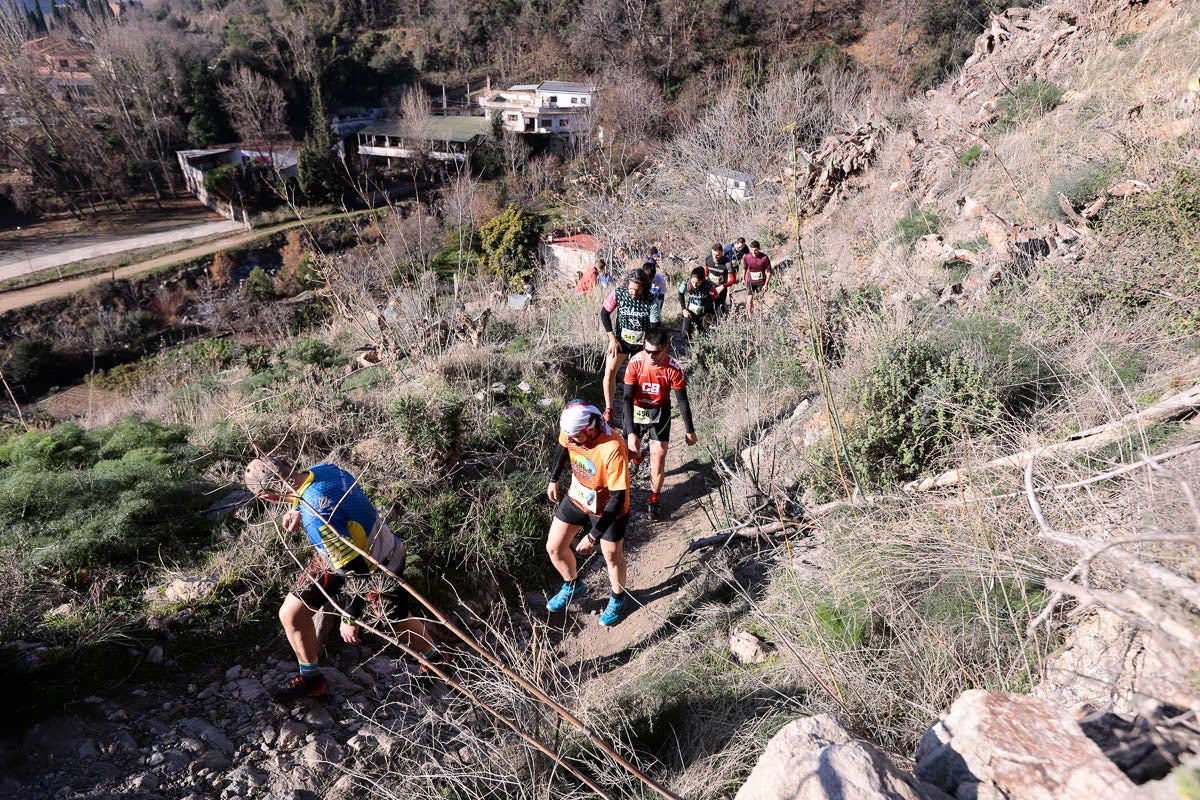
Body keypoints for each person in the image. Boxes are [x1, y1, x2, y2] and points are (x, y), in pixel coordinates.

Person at [244, 456, 443, 702]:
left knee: (396, 620)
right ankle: (312, 681)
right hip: (346, 552)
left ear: (267, 496)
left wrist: (350, 617)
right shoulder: (324, 470)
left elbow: (356, 569)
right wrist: (296, 507)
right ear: (286, 462)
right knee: (292, 613)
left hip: (378, 563)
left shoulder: (317, 520)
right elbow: (320, 497)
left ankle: (436, 659)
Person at [544, 401, 632, 627]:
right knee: (554, 547)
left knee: (612, 557)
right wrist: (553, 479)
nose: (571, 441)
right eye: (569, 436)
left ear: (590, 428)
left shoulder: (613, 447)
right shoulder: (572, 430)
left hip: (607, 508)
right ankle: (572, 584)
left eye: (575, 437)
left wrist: (593, 536)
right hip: (578, 497)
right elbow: (563, 448)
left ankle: (618, 598)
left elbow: (618, 498)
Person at [622, 329, 697, 520]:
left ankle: (654, 500)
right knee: (631, 450)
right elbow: (627, 398)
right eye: (647, 351)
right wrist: (631, 432)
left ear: (665, 348)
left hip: (660, 413)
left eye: (656, 352)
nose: (651, 356)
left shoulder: (673, 368)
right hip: (636, 411)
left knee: (659, 457)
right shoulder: (635, 362)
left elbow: (682, 400)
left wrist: (690, 430)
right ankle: (638, 458)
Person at [600, 269, 661, 422]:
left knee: (637, 379)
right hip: (621, 341)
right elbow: (604, 313)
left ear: (644, 288)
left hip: (641, 345)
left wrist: (649, 350)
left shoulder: (652, 300)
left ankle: (636, 409)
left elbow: (655, 328)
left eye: (637, 289)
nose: (633, 292)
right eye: (631, 288)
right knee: (609, 372)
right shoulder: (618, 293)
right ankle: (609, 409)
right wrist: (612, 339)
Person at [677, 266, 721, 341]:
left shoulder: (709, 285)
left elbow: (717, 300)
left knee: (704, 336)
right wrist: (684, 310)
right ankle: (688, 350)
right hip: (690, 313)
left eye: (698, 283)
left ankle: (702, 350)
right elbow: (680, 293)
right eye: (693, 282)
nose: (694, 285)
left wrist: (713, 315)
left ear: (702, 280)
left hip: (704, 314)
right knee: (685, 335)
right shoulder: (687, 282)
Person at [704, 243, 737, 319]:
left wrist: (723, 286)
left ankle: (720, 326)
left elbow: (733, 279)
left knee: (719, 309)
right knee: (708, 308)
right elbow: (706, 272)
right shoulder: (708, 259)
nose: (715, 257)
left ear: (722, 252)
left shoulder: (728, 263)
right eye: (713, 254)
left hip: (721, 287)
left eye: (717, 255)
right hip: (710, 286)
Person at [742, 240, 772, 319]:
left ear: (759, 249)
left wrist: (766, 284)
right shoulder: (747, 257)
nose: (753, 252)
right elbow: (745, 268)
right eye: (752, 250)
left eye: (755, 250)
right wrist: (743, 278)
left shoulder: (764, 258)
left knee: (759, 301)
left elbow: (769, 272)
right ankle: (750, 319)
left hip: (761, 282)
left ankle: (759, 319)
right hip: (750, 281)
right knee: (749, 301)